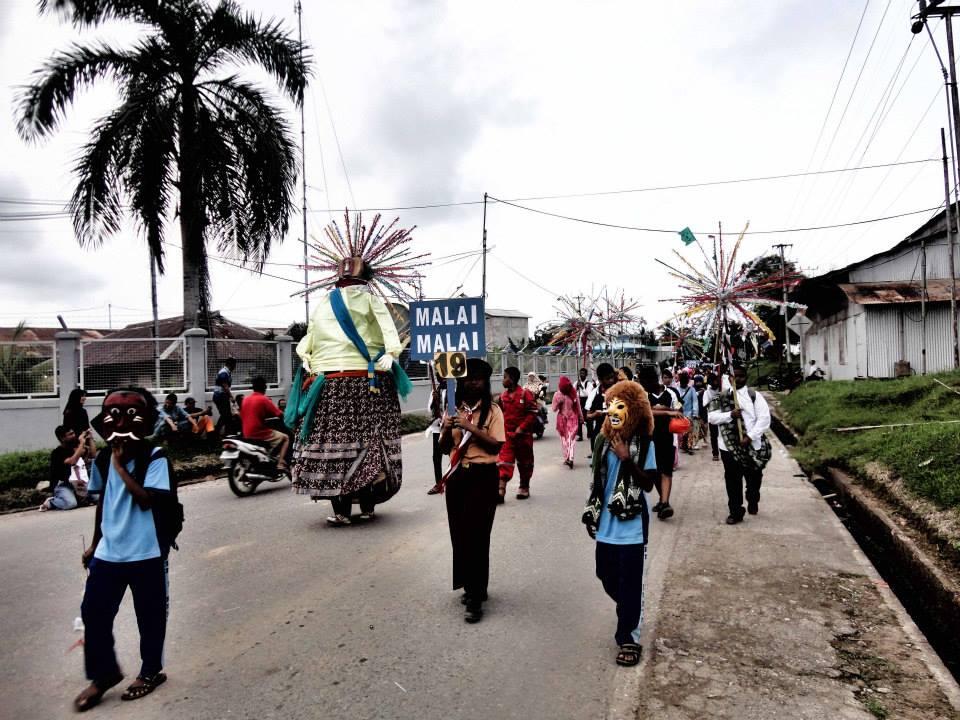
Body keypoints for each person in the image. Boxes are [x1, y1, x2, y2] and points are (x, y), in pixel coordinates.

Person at [286, 212, 417, 526]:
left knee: (334, 449)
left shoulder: (322, 304)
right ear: (367, 280)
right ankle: (368, 506)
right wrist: (391, 355)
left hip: (328, 385)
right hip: (369, 384)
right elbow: (391, 338)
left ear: (338, 279)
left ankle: (341, 511)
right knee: (372, 444)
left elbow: (307, 343)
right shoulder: (371, 301)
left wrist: (307, 360)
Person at [74, 388, 174, 712]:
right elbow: (103, 501)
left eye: (129, 415)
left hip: (146, 552)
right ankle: (105, 674)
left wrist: (121, 467)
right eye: (113, 415)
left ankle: (150, 672)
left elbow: (148, 500)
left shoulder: (155, 457)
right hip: (109, 552)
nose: (119, 423)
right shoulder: (103, 458)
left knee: (151, 616)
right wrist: (94, 543)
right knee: (93, 612)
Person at [582, 380, 657, 666]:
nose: (613, 411)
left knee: (630, 585)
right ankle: (628, 607)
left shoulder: (644, 442)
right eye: (611, 404)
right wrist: (592, 513)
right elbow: (597, 483)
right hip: (606, 527)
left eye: (620, 405)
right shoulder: (602, 441)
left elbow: (648, 484)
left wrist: (627, 459)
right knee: (606, 576)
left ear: (634, 410)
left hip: (633, 528)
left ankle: (629, 638)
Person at [438, 358, 505, 624]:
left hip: (483, 476)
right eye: (468, 378)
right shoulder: (453, 409)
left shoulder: (493, 411)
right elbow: (444, 449)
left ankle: (476, 598)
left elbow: (495, 446)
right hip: (458, 478)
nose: (472, 383)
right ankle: (470, 586)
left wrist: (469, 427)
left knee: (478, 535)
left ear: (485, 382)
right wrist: (445, 430)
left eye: (478, 379)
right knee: (460, 533)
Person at [708, 364, 772, 525]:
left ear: (746, 377)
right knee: (732, 479)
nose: (737, 379)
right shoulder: (720, 398)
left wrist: (750, 437)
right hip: (728, 447)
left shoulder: (754, 396)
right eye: (734, 376)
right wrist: (730, 414)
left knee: (754, 479)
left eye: (741, 376)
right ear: (730, 378)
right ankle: (735, 511)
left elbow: (764, 419)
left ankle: (753, 498)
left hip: (751, 446)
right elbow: (712, 417)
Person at [638, 365, 682, 521]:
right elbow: (646, 411)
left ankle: (665, 503)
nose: (642, 385)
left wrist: (665, 409)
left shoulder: (672, 393)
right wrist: (667, 411)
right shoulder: (642, 395)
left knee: (666, 470)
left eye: (644, 382)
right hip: (649, 438)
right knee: (654, 471)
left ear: (651, 380)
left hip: (668, 437)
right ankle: (662, 499)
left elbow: (679, 410)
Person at [497, 366, 538, 501]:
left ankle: (524, 486)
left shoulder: (525, 394)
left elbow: (532, 413)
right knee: (504, 461)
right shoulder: (502, 397)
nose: (503, 380)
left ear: (512, 379)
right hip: (507, 436)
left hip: (523, 437)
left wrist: (522, 428)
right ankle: (501, 490)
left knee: (525, 462)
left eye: (505, 377)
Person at [239, 376, 290, 472]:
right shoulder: (264, 399)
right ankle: (280, 462)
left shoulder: (245, 399)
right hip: (259, 432)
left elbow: (244, 415)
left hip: (246, 433)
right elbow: (279, 413)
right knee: (285, 438)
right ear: (264, 387)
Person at [41, 425, 95, 511]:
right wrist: (81, 443)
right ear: (62, 438)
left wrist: (91, 439)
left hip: (78, 483)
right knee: (70, 504)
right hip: (62, 484)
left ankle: (80, 498)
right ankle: (51, 502)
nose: (74, 436)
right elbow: (72, 461)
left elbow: (93, 455)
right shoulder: (57, 453)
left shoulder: (74, 449)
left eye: (73, 433)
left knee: (97, 497)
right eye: (70, 434)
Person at [552, 375, 584, 468]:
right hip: (571, 418)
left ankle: (569, 458)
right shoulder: (573, 392)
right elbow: (578, 406)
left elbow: (554, 409)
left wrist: (559, 402)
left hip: (564, 418)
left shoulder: (558, 394)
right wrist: (581, 417)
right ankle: (569, 458)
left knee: (565, 439)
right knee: (570, 439)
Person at [585, 363, 618, 451]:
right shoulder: (595, 394)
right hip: (600, 433)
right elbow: (588, 415)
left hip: (617, 435)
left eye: (612, 377)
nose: (611, 380)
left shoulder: (620, 391)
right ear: (600, 380)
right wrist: (595, 415)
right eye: (608, 378)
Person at [426, 383, 446, 495]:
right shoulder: (435, 390)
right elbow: (429, 409)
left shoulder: (454, 388)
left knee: (454, 454)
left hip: (451, 427)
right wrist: (434, 399)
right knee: (436, 457)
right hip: (437, 428)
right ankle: (439, 484)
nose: (439, 376)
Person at [675, 373, 699, 455]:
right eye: (682, 382)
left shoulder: (692, 390)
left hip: (689, 414)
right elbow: (675, 402)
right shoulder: (676, 390)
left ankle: (689, 446)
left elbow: (695, 402)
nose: (683, 384)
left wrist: (695, 413)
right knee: (682, 431)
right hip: (679, 414)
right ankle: (684, 445)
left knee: (689, 431)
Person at [213, 357, 237, 437]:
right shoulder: (224, 373)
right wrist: (231, 397)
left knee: (225, 415)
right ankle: (221, 433)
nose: (235, 367)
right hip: (220, 396)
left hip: (222, 396)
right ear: (231, 365)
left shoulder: (226, 372)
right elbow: (225, 386)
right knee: (226, 415)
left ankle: (223, 433)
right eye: (234, 365)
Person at [575, 367, 595, 441]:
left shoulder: (589, 384)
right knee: (579, 418)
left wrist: (582, 387)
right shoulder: (577, 382)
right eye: (580, 373)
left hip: (586, 401)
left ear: (586, 374)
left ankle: (590, 434)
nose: (581, 375)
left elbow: (588, 393)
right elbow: (573, 392)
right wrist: (577, 388)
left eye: (583, 373)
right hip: (579, 400)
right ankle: (580, 435)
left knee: (588, 418)